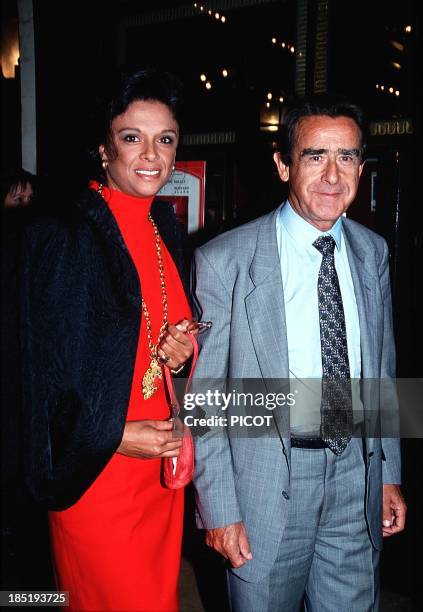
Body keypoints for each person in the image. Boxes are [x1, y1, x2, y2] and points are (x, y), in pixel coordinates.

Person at [191, 96, 406, 611]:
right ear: (283, 164)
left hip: (356, 474)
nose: (333, 175)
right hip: (267, 483)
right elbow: (207, 399)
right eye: (315, 156)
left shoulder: (371, 251)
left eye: (348, 157)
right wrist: (218, 508)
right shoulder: (225, 260)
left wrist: (389, 472)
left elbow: (381, 369)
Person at [21, 68, 198, 611]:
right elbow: (35, 375)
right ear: (104, 149)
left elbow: (160, 332)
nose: (151, 154)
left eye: (164, 139)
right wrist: (114, 436)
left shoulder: (165, 227)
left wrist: (183, 352)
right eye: (132, 138)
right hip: (97, 475)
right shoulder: (63, 234)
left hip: (158, 475)